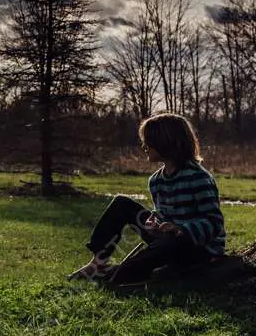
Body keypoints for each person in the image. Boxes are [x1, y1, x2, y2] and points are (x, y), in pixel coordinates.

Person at [69, 113, 225, 284]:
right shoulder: (156, 180)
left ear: (165, 142)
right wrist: (155, 222)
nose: (144, 146)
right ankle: (98, 263)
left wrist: (181, 229)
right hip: (166, 240)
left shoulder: (198, 177)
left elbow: (214, 223)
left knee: (166, 245)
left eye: (148, 141)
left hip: (197, 248)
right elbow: (164, 214)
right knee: (122, 203)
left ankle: (124, 272)